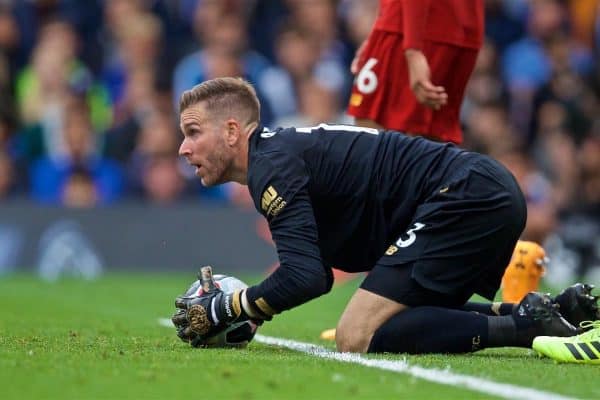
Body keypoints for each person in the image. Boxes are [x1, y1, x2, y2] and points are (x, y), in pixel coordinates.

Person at [172, 77, 598, 356]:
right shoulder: (279, 156)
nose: (183, 148)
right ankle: (548, 309)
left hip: (464, 195)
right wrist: (247, 308)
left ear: (232, 131)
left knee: (355, 335)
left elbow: (302, 276)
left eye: (193, 132)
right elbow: (316, 274)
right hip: (478, 189)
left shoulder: (272, 166)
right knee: (392, 324)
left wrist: (230, 306)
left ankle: (526, 327)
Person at [347, 0, 484, 144]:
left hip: (411, 29)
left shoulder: (413, 45)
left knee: (370, 142)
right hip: (463, 29)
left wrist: (413, 49)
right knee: (434, 147)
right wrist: (376, 32)